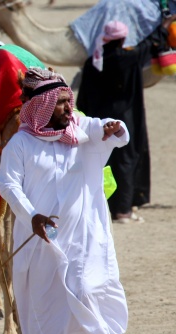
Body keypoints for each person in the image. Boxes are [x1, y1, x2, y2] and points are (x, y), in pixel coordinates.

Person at [0, 67, 129, 334]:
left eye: (70, 102)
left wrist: (114, 127)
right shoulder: (21, 144)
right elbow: (8, 184)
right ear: (40, 107)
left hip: (78, 239)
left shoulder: (79, 131)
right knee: (40, 303)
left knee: (78, 293)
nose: (69, 109)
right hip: (38, 241)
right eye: (60, 104)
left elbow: (108, 129)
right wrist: (32, 217)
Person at [76, 19, 171, 223]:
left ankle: (100, 207)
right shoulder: (128, 57)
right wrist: (164, 26)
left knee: (99, 161)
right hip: (123, 121)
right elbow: (149, 44)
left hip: (97, 121)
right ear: (121, 40)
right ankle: (122, 211)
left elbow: (83, 95)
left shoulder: (93, 60)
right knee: (125, 160)